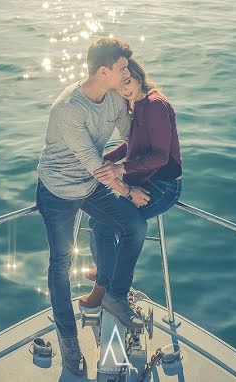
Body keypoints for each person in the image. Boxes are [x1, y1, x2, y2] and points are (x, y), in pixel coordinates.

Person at [35, 37, 150, 377]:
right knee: (61, 263)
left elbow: (133, 139)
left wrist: (156, 142)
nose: (127, 72)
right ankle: (69, 341)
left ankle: (114, 295)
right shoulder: (69, 108)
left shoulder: (114, 98)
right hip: (57, 192)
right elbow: (93, 164)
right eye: (121, 68)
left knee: (135, 227)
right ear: (103, 71)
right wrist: (128, 190)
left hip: (90, 187)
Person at [77, 57, 184, 315]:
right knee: (96, 223)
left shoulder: (155, 106)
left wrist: (119, 168)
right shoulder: (137, 104)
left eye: (127, 82)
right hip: (146, 178)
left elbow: (159, 156)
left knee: (106, 227)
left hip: (162, 186)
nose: (124, 89)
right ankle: (106, 272)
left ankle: (113, 292)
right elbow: (133, 144)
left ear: (138, 76)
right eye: (119, 87)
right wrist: (107, 159)